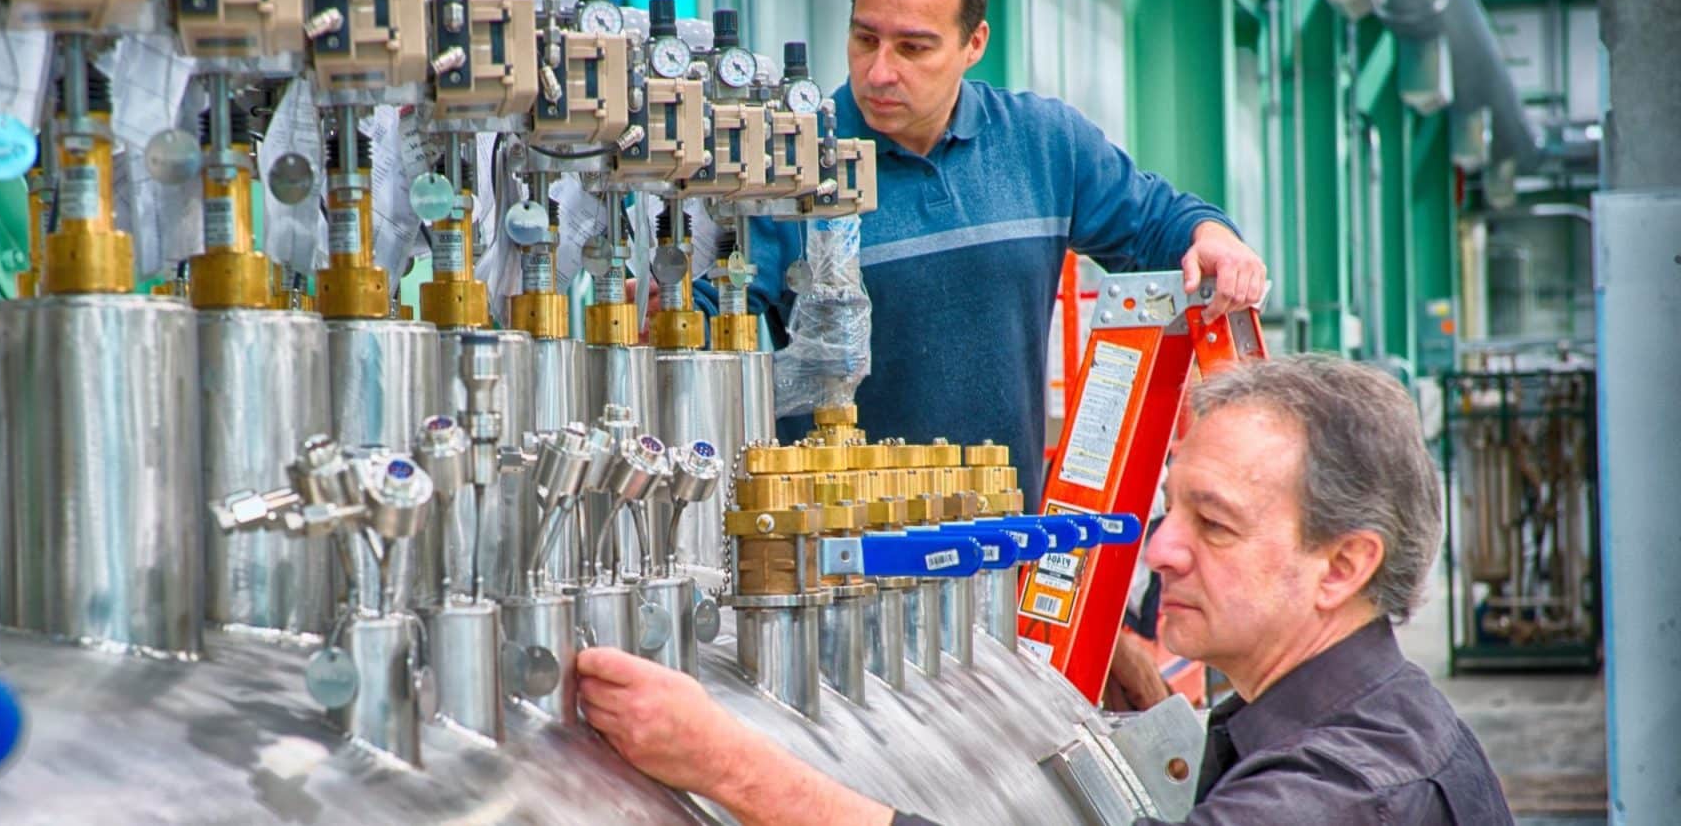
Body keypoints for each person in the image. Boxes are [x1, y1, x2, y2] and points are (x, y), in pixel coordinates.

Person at [576, 354, 1514, 825]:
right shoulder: (1359, 716)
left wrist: (727, 765)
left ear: (1342, 565)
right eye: (1170, 510)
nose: (1161, 552)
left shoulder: (1340, 793)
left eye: (1213, 523)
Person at [728, 0, 1268, 514]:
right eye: (864, 39)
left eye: (913, 47)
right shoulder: (788, 166)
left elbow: (1158, 222)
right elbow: (717, 330)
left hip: (1001, 552)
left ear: (974, 43)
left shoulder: (1042, 145)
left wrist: (1212, 236)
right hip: (841, 566)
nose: (879, 71)